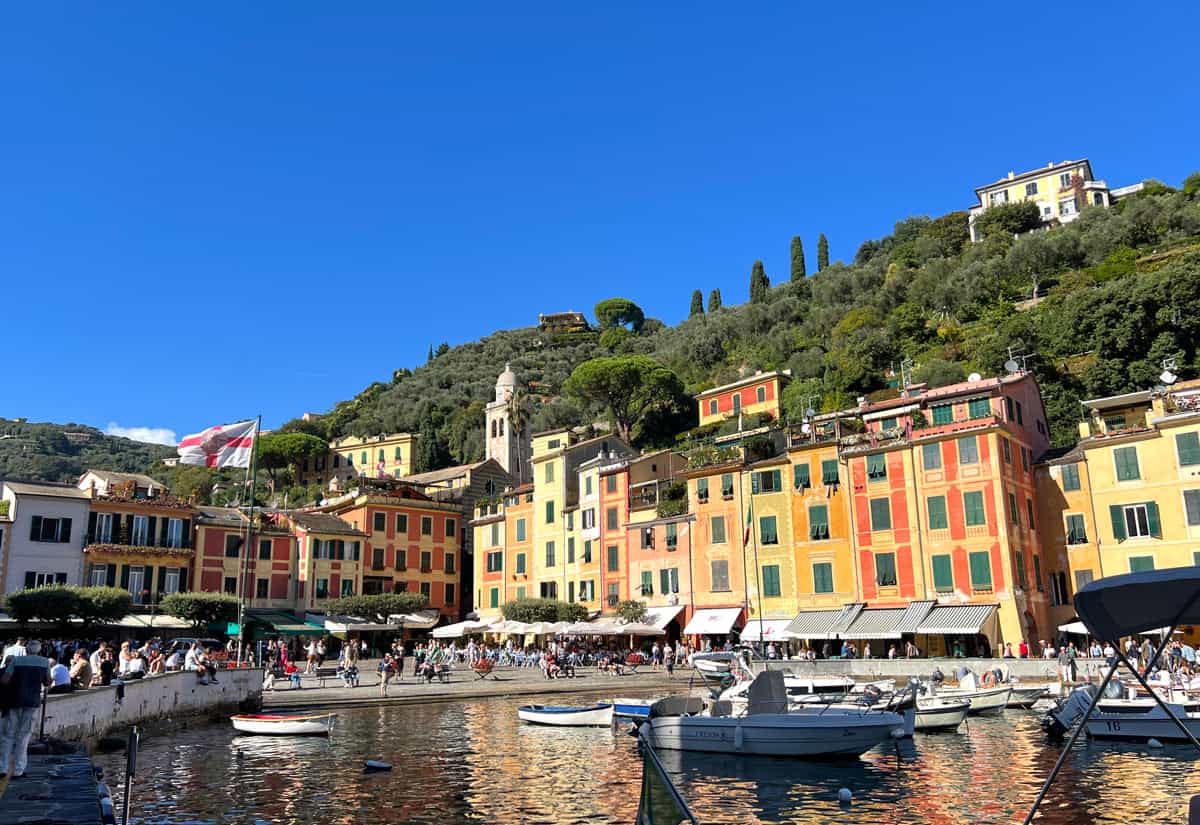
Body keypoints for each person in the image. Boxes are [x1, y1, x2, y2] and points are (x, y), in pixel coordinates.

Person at [0, 639, 52, 779]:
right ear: (39, 650)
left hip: (14, 701)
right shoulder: (44, 662)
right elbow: (47, 681)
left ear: (26, 650)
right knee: (24, 736)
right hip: (32, 702)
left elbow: (4, 680)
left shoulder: (16, 661)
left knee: (7, 735)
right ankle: (18, 770)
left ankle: (2, 768)